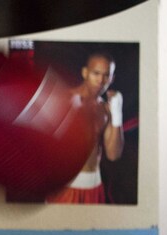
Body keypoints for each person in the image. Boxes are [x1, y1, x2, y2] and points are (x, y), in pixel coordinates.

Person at [46, 52, 124, 205]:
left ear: (112, 78)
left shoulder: (106, 108)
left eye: (106, 75)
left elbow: (113, 154)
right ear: (85, 73)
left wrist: (117, 115)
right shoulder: (63, 100)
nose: (101, 80)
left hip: (95, 188)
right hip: (65, 188)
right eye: (96, 73)